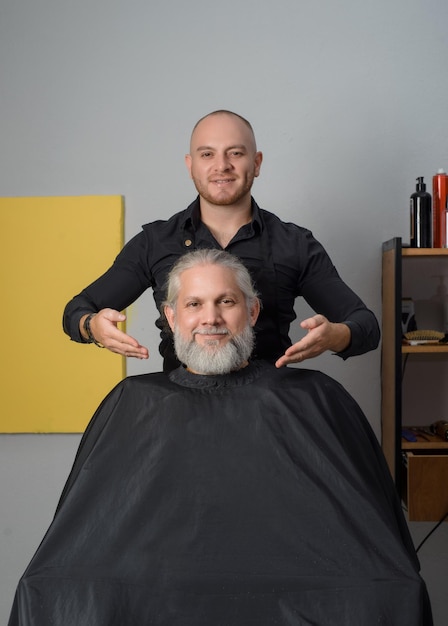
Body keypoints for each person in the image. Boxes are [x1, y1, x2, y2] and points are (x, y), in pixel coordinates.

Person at [10, 250, 431, 625]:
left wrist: (340, 333)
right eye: (194, 304)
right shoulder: (134, 400)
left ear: (252, 312)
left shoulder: (314, 397)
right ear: (171, 317)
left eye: (226, 302)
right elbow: (81, 540)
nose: (210, 318)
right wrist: (89, 323)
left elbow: (372, 546)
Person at [63, 109, 380, 372]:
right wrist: (92, 326)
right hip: (180, 413)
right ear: (191, 166)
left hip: (269, 412)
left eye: (236, 153)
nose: (221, 166)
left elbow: (366, 326)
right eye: (207, 154)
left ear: (256, 163)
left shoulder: (294, 243)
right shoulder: (154, 242)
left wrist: (335, 335)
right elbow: (76, 310)